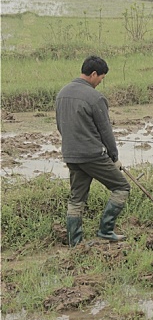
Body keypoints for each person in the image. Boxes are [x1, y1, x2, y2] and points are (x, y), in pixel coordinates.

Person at [56, 55, 130, 247]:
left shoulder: (62, 93)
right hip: (91, 155)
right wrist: (114, 157)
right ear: (94, 74)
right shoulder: (95, 97)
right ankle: (106, 230)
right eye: (101, 78)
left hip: (71, 154)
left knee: (76, 198)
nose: (100, 82)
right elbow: (105, 131)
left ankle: (75, 242)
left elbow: (60, 126)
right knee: (121, 187)